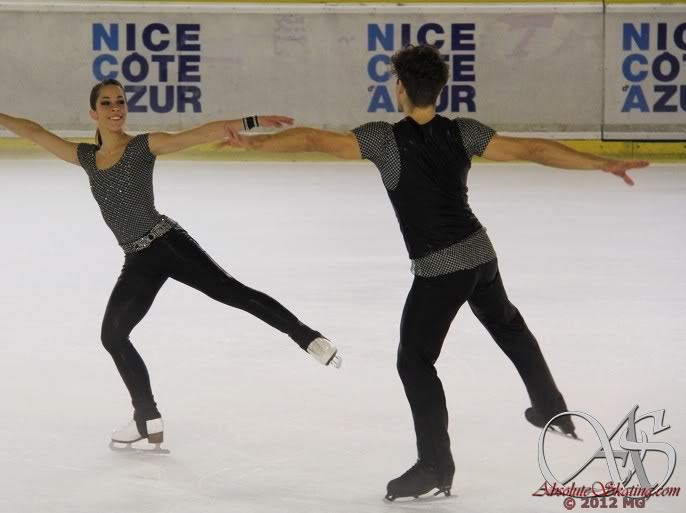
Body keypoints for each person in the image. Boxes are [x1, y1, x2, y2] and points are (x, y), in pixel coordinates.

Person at [224, 45, 649, 500]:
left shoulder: (384, 140)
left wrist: (255, 143)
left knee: (414, 361)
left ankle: (434, 465)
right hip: (480, 255)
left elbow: (312, 140)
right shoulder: (463, 132)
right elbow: (534, 149)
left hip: (442, 267)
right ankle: (549, 405)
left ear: (400, 89)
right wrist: (602, 163)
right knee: (506, 323)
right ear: (440, 89)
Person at [0, 78, 341, 450]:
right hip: (138, 259)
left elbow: (195, 135)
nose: (115, 109)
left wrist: (251, 121)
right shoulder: (87, 158)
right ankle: (146, 415)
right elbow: (37, 133)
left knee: (232, 292)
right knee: (113, 336)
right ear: (93, 113)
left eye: (120, 102)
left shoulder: (142, 146)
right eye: (106, 103)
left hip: (168, 244)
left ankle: (308, 338)